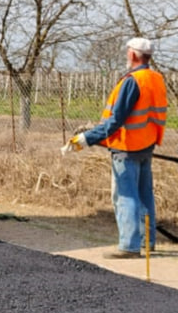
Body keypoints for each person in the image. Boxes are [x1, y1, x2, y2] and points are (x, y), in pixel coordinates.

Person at [63, 37, 168, 259]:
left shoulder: (132, 81)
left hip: (127, 148)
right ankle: (147, 243)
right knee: (145, 195)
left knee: (126, 197)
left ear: (132, 55)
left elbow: (115, 121)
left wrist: (86, 138)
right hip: (147, 145)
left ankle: (129, 246)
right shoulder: (156, 78)